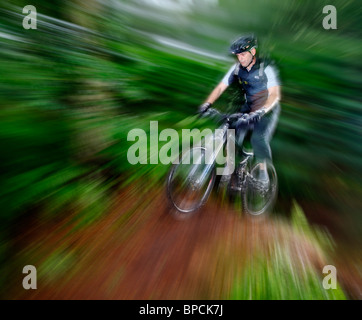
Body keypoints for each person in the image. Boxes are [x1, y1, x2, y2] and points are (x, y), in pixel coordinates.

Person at [198, 34, 281, 187]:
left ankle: (263, 175)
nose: (240, 58)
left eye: (243, 54)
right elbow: (220, 88)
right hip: (249, 107)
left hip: (267, 109)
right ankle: (231, 171)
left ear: (253, 52)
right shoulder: (236, 69)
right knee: (229, 132)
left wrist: (262, 111)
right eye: (238, 55)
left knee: (258, 138)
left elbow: (275, 94)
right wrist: (207, 104)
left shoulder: (266, 68)